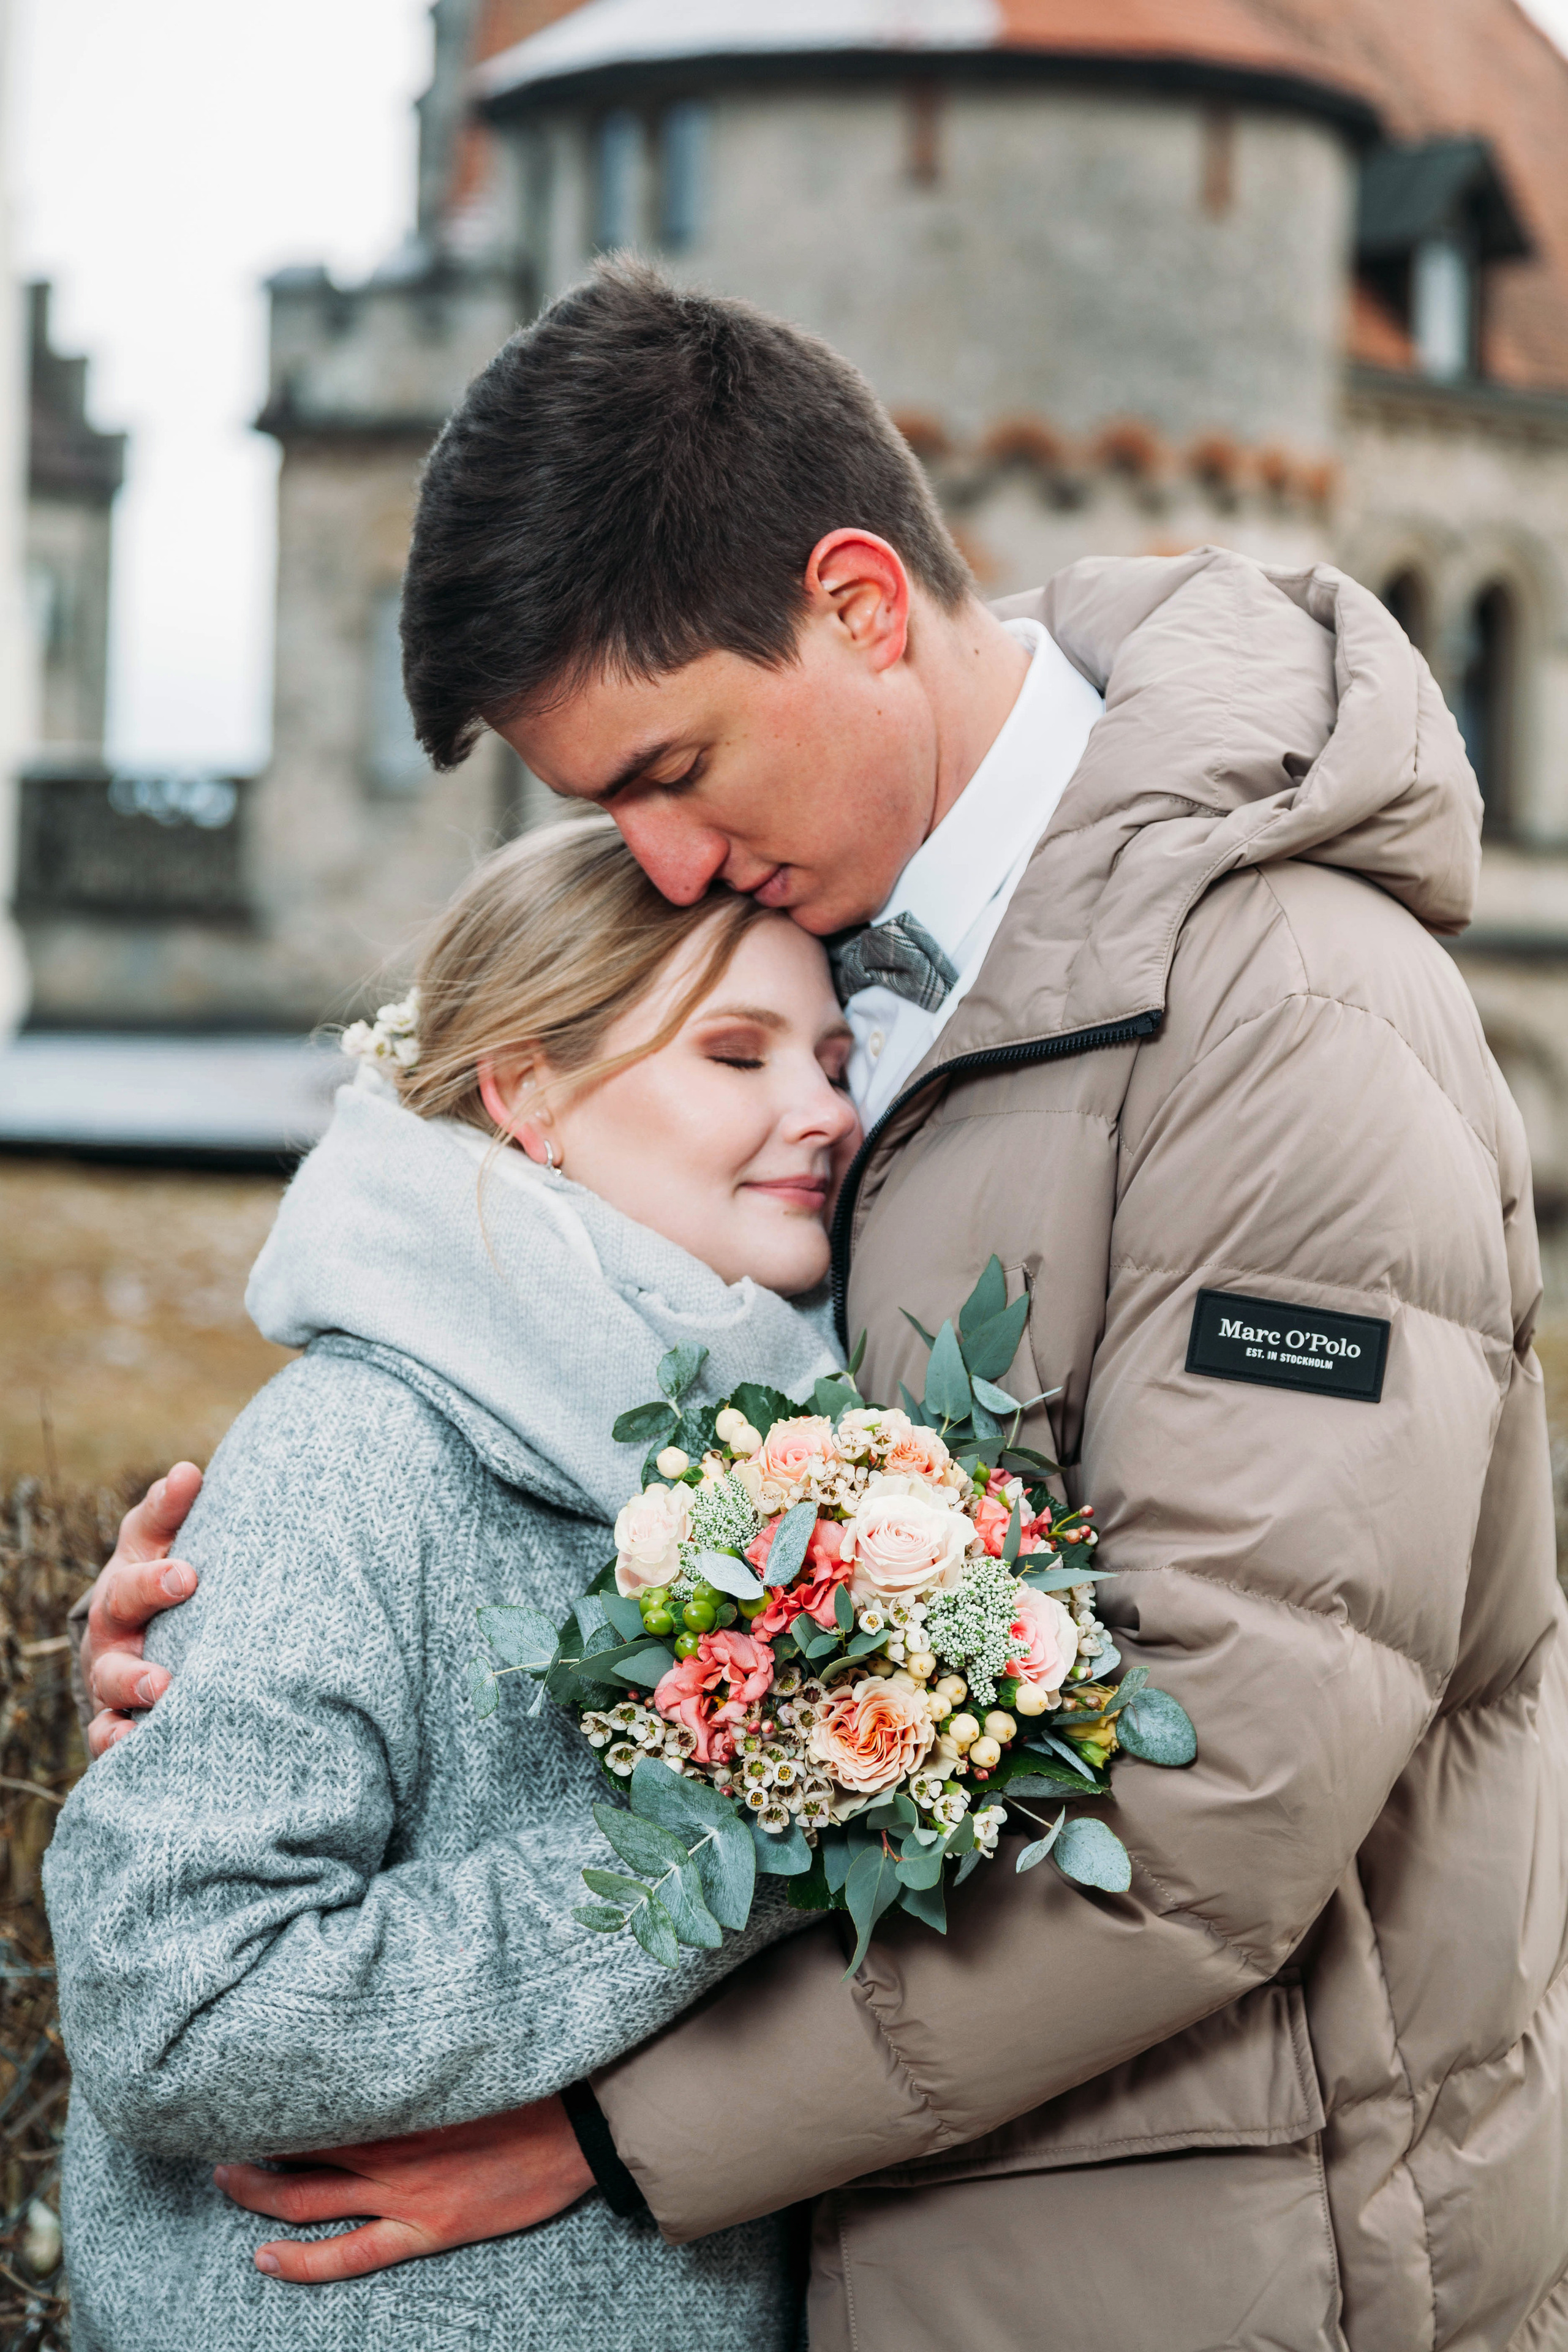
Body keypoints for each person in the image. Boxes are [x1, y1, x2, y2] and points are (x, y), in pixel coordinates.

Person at [78, 264, 1568, 2350]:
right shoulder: (854, 977)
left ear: (864, 606)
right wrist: (253, 1659)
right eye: (608, 815)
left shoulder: (1286, 1014)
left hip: (1199, 2273)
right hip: (901, 2258)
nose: (665, 871)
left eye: (677, 770)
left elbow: (1222, 1779)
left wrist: (613, 2136)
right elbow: (745, 1603)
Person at [44, 813, 863, 2351]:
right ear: (528, 1091)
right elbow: (184, 2009)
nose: (820, 1110)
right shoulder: (360, 1453)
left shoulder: (806, 1464)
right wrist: (740, 1844)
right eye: (737, 1056)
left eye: (831, 1059)